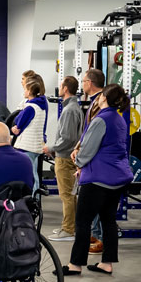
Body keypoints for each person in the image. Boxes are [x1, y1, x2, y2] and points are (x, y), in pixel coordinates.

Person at [63, 85, 133, 276]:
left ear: (103, 98)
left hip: (97, 179)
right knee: (108, 220)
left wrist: (77, 159)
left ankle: (75, 265)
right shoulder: (119, 119)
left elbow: (88, 149)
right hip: (117, 178)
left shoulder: (100, 120)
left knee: (83, 221)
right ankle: (107, 263)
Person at [44, 76, 84, 241]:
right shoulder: (74, 107)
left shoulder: (69, 110)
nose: (59, 88)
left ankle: (68, 230)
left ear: (66, 89)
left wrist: (51, 148)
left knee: (66, 195)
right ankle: (70, 226)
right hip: (69, 157)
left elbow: (67, 138)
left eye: (61, 85)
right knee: (70, 195)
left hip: (65, 158)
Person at [81, 69, 106, 254]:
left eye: (83, 81)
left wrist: (82, 159)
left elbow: (94, 134)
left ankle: (99, 236)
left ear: (90, 82)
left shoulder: (99, 103)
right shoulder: (93, 103)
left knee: (97, 203)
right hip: (91, 159)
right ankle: (95, 233)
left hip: (98, 162)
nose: (82, 85)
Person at [11, 75, 48, 192]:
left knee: (29, 176)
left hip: (26, 146)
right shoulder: (42, 104)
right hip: (35, 146)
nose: (24, 92)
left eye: (26, 89)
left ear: (30, 91)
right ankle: (35, 200)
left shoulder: (30, 107)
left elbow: (18, 121)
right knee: (34, 174)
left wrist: (16, 127)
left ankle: (31, 200)